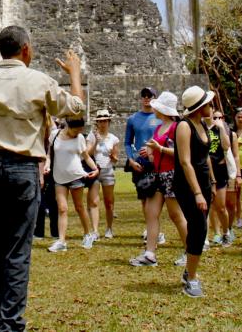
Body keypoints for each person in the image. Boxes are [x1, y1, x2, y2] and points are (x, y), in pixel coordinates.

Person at [0, 25, 85, 332]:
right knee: (17, 250)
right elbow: (75, 111)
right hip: (22, 167)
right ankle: (10, 323)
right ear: (26, 49)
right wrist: (75, 73)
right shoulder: (38, 80)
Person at [130, 91, 188, 267]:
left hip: (171, 175)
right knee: (151, 213)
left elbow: (180, 153)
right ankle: (150, 254)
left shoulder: (176, 128)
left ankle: (190, 250)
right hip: (157, 174)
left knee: (175, 215)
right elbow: (156, 153)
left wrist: (159, 148)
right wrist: (149, 152)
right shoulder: (158, 128)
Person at [173, 85, 216, 298]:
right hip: (188, 186)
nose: (211, 106)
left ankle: (189, 271)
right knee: (198, 227)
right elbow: (185, 161)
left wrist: (212, 182)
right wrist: (198, 193)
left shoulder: (203, 125)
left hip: (204, 184)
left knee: (200, 229)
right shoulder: (184, 126)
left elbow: (205, 157)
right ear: (199, 107)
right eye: (207, 103)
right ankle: (191, 279)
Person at [45, 118, 99, 252]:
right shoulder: (55, 135)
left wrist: (96, 169)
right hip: (59, 177)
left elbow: (86, 156)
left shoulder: (80, 138)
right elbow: (49, 155)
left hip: (76, 176)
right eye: (76, 130)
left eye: (81, 130)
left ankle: (88, 234)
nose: (79, 132)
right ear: (68, 126)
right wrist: (47, 165)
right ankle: (62, 241)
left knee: (79, 207)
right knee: (62, 209)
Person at [126, 87, 164, 245]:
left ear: (155, 97)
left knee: (156, 197)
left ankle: (156, 230)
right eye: (144, 95)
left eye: (150, 95)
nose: (147, 98)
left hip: (158, 163)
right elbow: (127, 142)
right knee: (144, 198)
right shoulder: (133, 119)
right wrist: (131, 159)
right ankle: (151, 227)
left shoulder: (161, 118)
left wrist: (153, 151)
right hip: (140, 164)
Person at [86, 109, 119, 239]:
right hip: (95, 170)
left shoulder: (114, 139)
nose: (103, 123)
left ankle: (109, 228)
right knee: (94, 201)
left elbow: (116, 158)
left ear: (109, 122)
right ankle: (95, 230)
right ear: (97, 123)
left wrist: (112, 156)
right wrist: (96, 143)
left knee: (109, 202)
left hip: (108, 171)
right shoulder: (92, 136)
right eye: (100, 121)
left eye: (105, 121)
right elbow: (87, 154)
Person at [206, 110, 235, 247]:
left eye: (219, 117)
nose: (216, 118)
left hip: (219, 170)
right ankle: (209, 235)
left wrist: (222, 128)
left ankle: (226, 233)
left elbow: (226, 146)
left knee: (221, 206)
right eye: (214, 116)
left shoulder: (220, 129)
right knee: (207, 205)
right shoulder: (200, 127)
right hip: (204, 170)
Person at [34, 118, 60, 240]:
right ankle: (41, 231)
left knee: (51, 201)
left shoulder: (52, 130)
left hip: (51, 168)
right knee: (41, 201)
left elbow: (47, 153)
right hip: (42, 166)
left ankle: (53, 231)